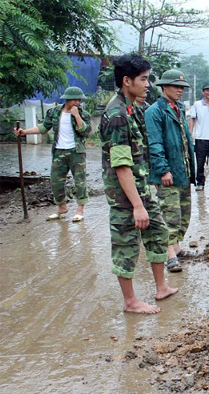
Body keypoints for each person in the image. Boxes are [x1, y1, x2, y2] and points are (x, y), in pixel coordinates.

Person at [99, 54, 178, 314]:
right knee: (126, 246)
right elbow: (121, 165)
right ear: (126, 80)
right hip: (126, 197)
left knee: (158, 233)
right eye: (143, 79)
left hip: (141, 189)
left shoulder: (133, 108)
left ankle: (161, 288)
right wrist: (136, 206)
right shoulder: (117, 114)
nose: (147, 84)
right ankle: (130, 302)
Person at [14, 87, 91, 222]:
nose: (77, 102)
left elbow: (85, 132)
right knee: (55, 181)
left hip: (76, 152)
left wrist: (77, 116)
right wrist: (24, 132)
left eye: (79, 100)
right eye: (75, 99)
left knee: (80, 181)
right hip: (59, 151)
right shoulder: (54, 112)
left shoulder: (83, 114)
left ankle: (79, 210)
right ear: (67, 99)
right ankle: (61, 207)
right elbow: (43, 127)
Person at [145, 70, 196, 273]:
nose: (180, 90)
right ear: (164, 87)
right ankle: (170, 256)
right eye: (176, 86)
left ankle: (177, 248)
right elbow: (155, 143)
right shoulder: (155, 111)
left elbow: (186, 140)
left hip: (182, 169)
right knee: (169, 214)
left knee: (184, 213)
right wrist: (163, 170)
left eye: (182, 87)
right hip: (168, 172)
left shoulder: (179, 108)